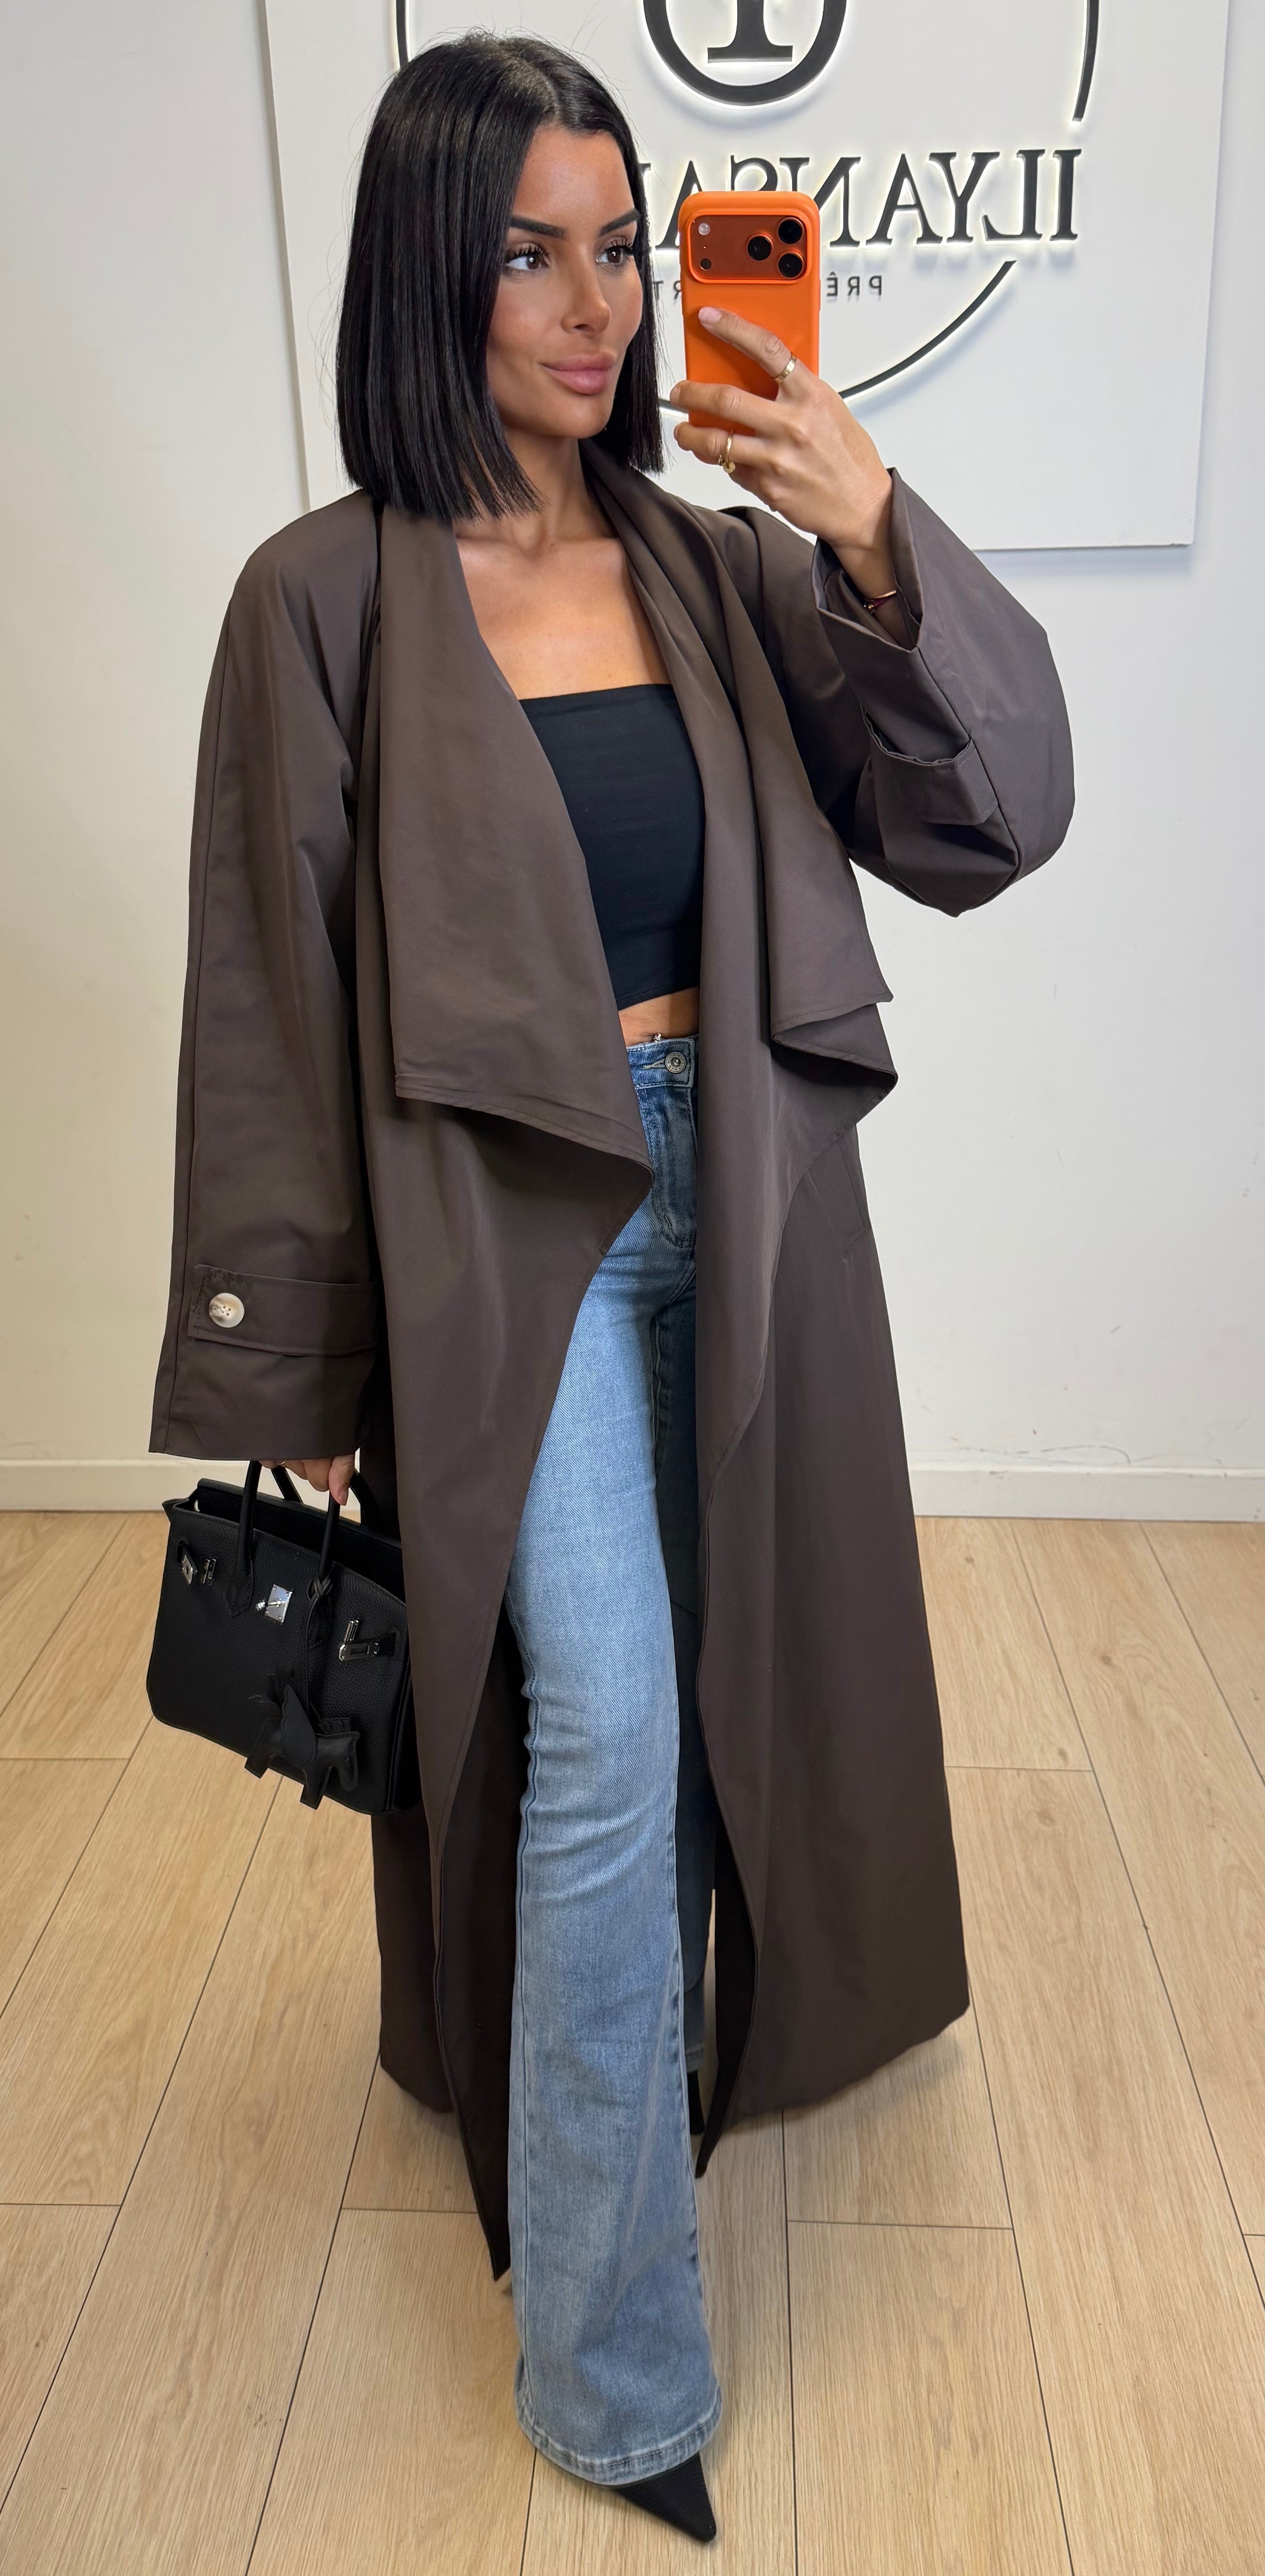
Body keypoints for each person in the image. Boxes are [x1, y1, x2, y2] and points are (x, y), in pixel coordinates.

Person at [151, 34, 1073, 2546]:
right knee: (605, 1732)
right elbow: (268, 988)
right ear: (425, 283)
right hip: (499, 1239)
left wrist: (871, 526)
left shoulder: (712, 563)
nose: (593, 306)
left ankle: (645, 2073)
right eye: (525, 255)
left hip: (739, 1193)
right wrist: (294, 1340)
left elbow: (994, 813)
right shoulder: (321, 599)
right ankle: (611, 2367)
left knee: (722, 1689)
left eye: (622, 246)